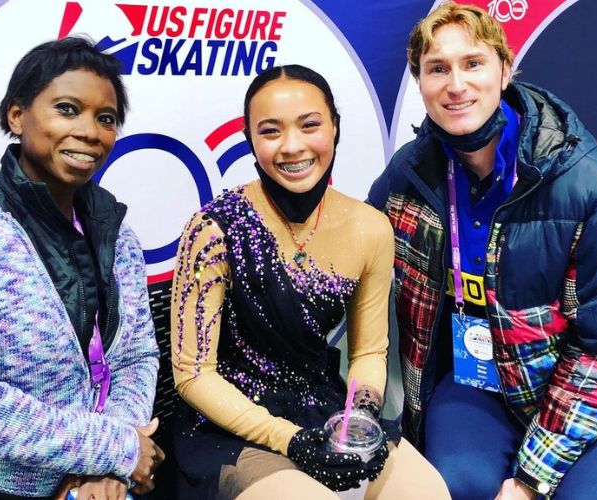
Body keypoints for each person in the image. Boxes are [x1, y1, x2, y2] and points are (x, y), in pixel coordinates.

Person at [367, 3, 597, 499]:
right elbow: (352, 251)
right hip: (482, 380)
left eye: (472, 63)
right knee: (449, 486)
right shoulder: (410, 174)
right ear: (421, 83)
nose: (456, 84)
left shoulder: (591, 184)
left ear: (505, 69)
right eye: (437, 69)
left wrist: (528, 481)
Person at [0, 37, 163, 499]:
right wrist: (116, 448)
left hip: (88, 481)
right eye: (67, 109)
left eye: (106, 118)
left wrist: (103, 468)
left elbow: (137, 358)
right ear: (17, 116)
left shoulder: (117, 233)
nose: (90, 131)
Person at [171, 64, 449, 499]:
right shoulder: (212, 230)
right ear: (249, 140)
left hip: (324, 406)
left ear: (334, 128)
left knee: (427, 493)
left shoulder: (370, 227)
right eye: (270, 131)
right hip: (229, 421)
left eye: (309, 125)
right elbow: (192, 375)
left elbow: (369, 351)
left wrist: (363, 416)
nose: (292, 146)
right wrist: (289, 439)